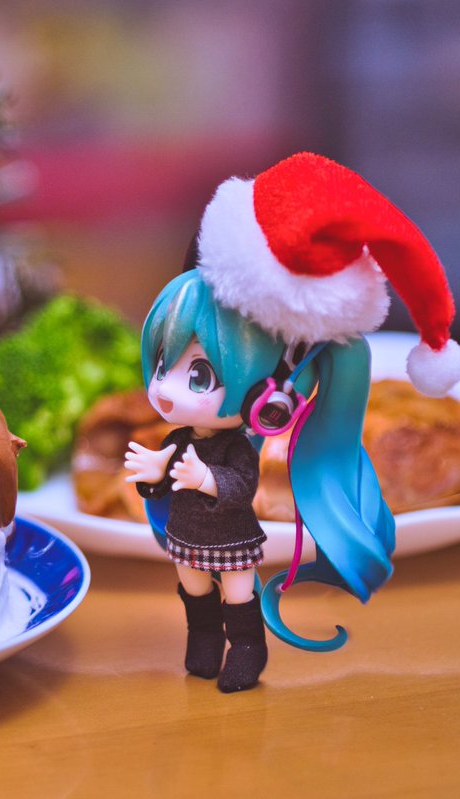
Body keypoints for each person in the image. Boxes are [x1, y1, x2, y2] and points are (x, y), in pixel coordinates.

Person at [124, 152, 458, 693]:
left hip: (230, 543)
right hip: (185, 539)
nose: (163, 389)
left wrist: (203, 479)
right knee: (194, 593)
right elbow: (161, 482)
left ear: (269, 402)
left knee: (236, 595)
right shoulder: (181, 436)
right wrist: (154, 473)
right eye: (163, 365)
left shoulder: (237, 447)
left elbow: (241, 485)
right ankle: (202, 644)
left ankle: (247, 651)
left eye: (200, 375)